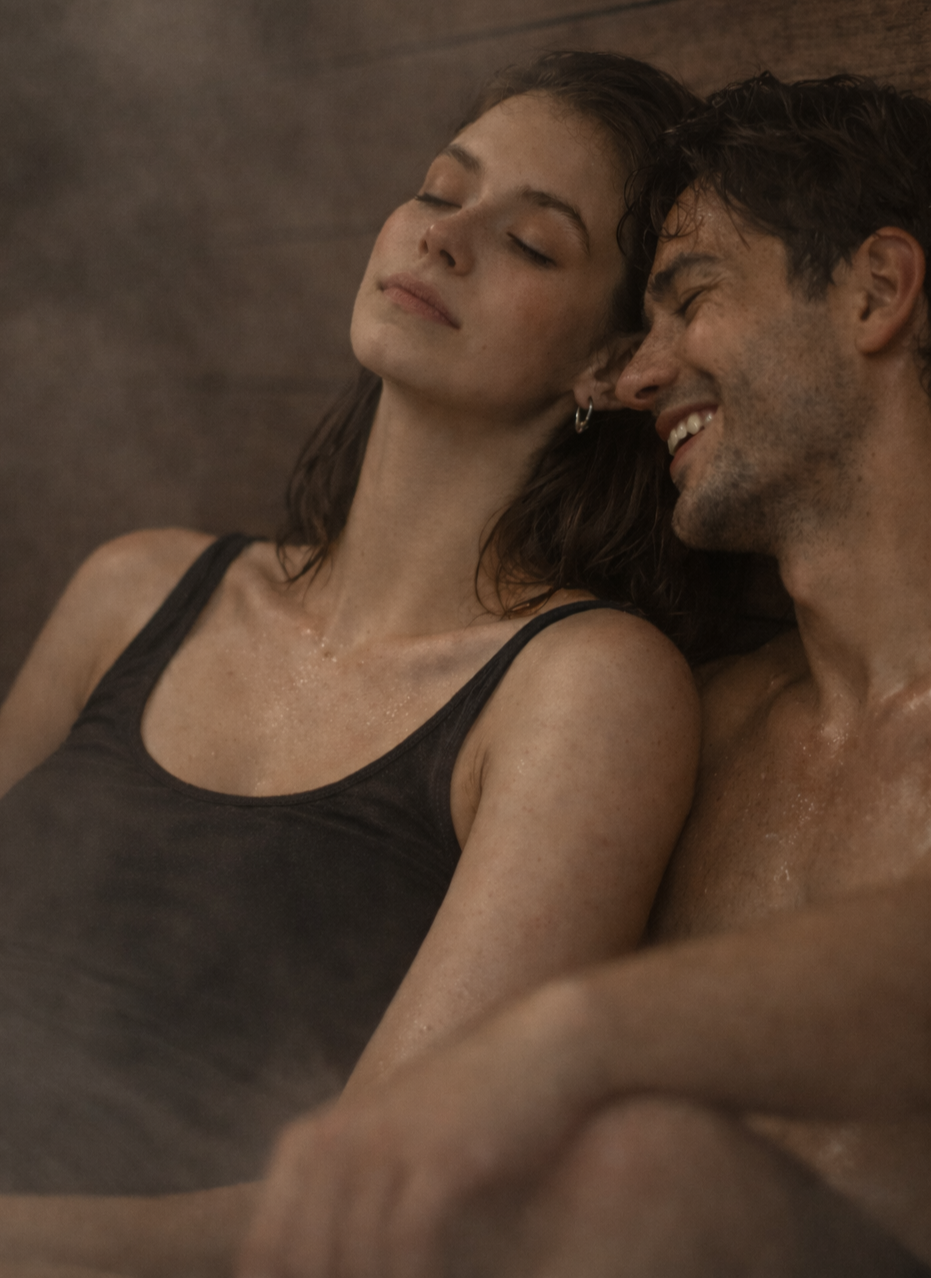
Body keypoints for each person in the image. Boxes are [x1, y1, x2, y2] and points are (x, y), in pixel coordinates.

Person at [0, 53, 716, 1273]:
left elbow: (375, 1210)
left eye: (532, 244)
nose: (445, 239)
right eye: (441, 190)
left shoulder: (582, 689)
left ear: (608, 366)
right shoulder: (134, 591)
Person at [240, 71, 931, 1278]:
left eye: (692, 300)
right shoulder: (692, 728)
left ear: (876, 289)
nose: (640, 376)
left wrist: (571, 1041)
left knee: (632, 1160)